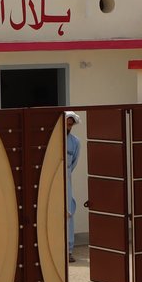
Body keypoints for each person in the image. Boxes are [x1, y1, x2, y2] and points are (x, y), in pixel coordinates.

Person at [64, 111, 81, 262]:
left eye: (71, 125)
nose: (68, 127)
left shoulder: (75, 142)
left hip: (66, 181)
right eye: (66, 123)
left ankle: (68, 250)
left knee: (68, 212)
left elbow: (73, 163)